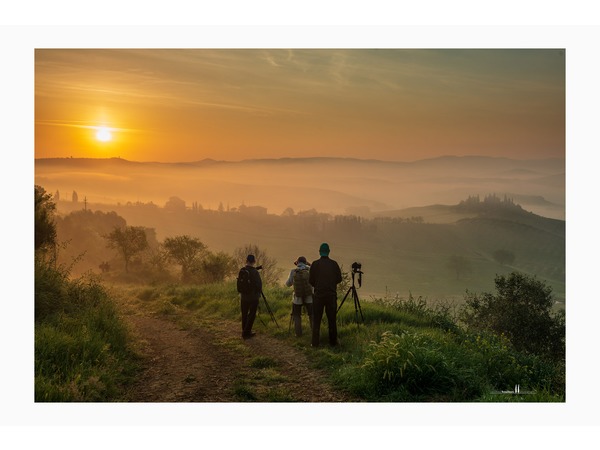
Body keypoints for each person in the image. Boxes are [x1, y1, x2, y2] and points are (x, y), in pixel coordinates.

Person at [309, 243, 342, 347]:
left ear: (319, 252)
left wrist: (318, 285)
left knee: (316, 320)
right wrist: (331, 284)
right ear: (329, 252)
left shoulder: (315, 264)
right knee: (332, 320)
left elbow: (311, 280)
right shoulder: (334, 264)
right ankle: (332, 343)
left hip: (318, 295)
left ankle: (315, 343)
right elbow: (339, 279)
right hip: (331, 296)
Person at [285, 256, 314, 337]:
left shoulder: (293, 271)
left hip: (297, 298)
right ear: (305, 262)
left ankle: (298, 334)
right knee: (311, 315)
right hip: (309, 297)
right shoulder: (310, 270)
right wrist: (309, 264)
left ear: (297, 262)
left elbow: (288, 284)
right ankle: (314, 332)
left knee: (297, 315)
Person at [239, 254, 262, 339]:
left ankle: (244, 330)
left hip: (243, 296)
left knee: (244, 314)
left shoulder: (242, 270)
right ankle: (246, 333)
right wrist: (258, 294)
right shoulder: (255, 272)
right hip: (253, 297)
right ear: (254, 261)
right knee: (252, 314)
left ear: (246, 261)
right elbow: (259, 285)